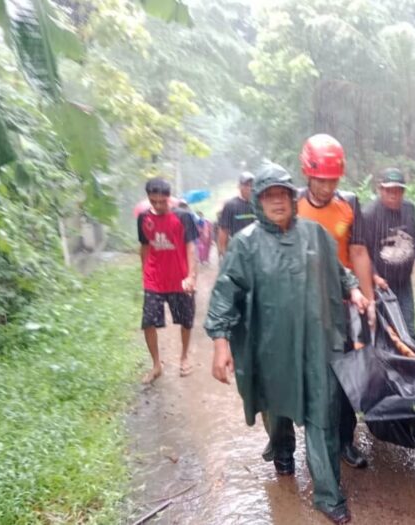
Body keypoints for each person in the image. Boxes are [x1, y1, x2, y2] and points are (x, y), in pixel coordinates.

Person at [205, 164, 368, 524]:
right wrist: (220, 343)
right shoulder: (245, 244)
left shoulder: (315, 234)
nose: (277, 202)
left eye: (283, 194)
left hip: (317, 343)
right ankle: (282, 451)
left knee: (322, 414)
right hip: (270, 346)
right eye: (269, 196)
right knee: (275, 408)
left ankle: (329, 494)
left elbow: (337, 270)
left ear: (293, 199)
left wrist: (354, 289)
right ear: (259, 201)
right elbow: (224, 294)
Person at [296, 133, 375, 469]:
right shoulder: (291, 205)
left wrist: (369, 300)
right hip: (301, 305)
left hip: (341, 303)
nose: (327, 187)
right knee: (307, 372)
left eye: (333, 180)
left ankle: (345, 439)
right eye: (320, 180)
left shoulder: (349, 204)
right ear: (307, 173)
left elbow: (358, 252)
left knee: (344, 375)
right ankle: (310, 437)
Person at [137, 178, 198, 383]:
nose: (158, 205)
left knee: (186, 320)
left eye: (162, 201)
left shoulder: (183, 217)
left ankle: (184, 357)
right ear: (148, 198)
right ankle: (156, 365)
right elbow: (145, 246)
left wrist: (191, 276)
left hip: (180, 278)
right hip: (154, 278)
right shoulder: (143, 218)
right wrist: (145, 273)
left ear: (169, 198)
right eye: (153, 201)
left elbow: (191, 248)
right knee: (148, 322)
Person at [362, 168, 415, 341]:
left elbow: (413, 236)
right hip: (381, 284)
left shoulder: (409, 209)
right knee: (385, 329)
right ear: (380, 189)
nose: (393, 195)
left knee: (409, 329)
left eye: (398, 191)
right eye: (389, 190)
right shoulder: (369, 214)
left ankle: (412, 356)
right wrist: (375, 276)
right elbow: (363, 252)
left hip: (403, 281)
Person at [217, 172, 255, 259]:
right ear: (240, 186)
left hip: (255, 249)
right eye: (246, 185)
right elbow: (223, 231)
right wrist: (224, 254)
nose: (249, 188)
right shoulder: (230, 205)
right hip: (237, 250)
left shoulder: (258, 205)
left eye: (252, 185)